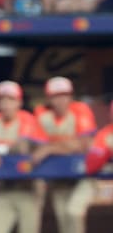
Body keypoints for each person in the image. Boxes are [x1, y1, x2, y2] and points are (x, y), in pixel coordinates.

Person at [0, 81, 46, 233]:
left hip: (28, 189)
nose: (5, 104)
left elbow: (21, 147)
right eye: (1, 100)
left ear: (19, 102)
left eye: (10, 99)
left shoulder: (27, 119)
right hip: (3, 190)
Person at [31, 76, 97, 233]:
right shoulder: (42, 114)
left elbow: (85, 146)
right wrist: (67, 145)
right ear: (49, 98)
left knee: (73, 212)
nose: (61, 100)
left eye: (64, 95)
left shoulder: (80, 109)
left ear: (71, 96)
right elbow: (37, 148)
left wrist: (51, 148)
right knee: (63, 221)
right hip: (60, 178)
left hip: (84, 176)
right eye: (56, 96)